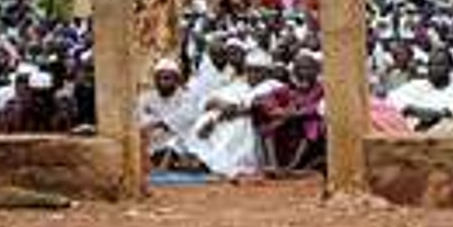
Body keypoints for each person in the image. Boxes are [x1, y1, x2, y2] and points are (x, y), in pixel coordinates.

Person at [189, 49, 284, 178]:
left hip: (255, 126)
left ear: (267, 73)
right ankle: (208, 160)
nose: (253, 74)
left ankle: (226, 163)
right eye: (250, 70)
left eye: (257, 71)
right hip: (229, 119)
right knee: (208, 117)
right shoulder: (240, 85)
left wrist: (225, 113)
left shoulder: (272, 85)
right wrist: (220, 105)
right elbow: (208, 101)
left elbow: (253, 107)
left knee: (237, 125)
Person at [255, 50, 326, 173]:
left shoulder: (321, 88)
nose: (304, 72)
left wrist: (297, 113)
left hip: (310, 123)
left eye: (308, 68)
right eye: (300, 68)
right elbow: (264, 99)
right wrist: (276, 111)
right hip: (289, 122)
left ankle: (293, 166)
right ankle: (273, 165)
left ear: (316, 71)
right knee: (269, 124)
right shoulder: (289, 88)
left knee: (312, 124)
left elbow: (319, 107)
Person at [387, 47, 453, 132]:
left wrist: (433, 114)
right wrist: (410, 109)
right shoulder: (418, 85)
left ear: (450, 67)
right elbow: (392, 100)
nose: (433, 69)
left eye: (439, 65)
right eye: (430, 65)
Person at [138, 58, 199, 170]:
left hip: (178, 141)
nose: (162, 82)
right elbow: (139, 118)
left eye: (167, 78)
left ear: (176, 80)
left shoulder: (186, 97)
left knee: (174, 145)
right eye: (159, 78)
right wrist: (158, 122)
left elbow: (185, 117)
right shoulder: (146, 97)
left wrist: (160, 122)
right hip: (154, 143)